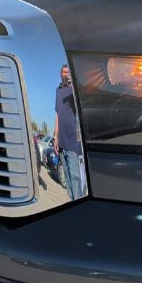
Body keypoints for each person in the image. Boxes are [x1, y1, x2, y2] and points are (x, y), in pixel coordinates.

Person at [53, 65, 84, 200]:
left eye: (68, 72)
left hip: (73, 141)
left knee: (75, 177)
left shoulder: (74, 90)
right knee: (68, 178)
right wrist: (55, 137)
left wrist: (73, 86)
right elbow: (57, 114)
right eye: (64, 72)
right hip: (61, 141)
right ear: (60, 74)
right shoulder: (58, 90)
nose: (66, 74)